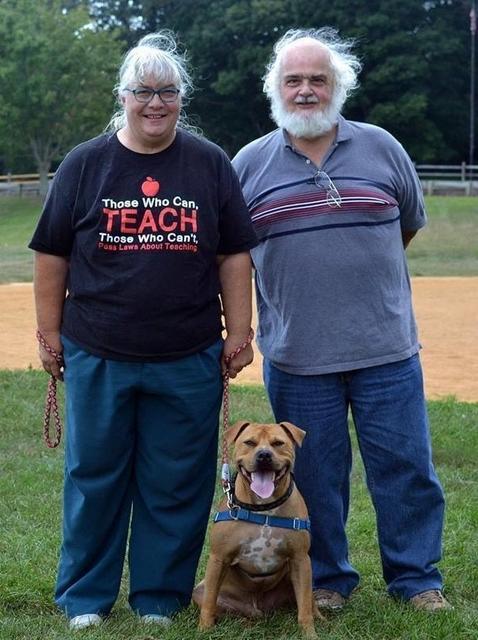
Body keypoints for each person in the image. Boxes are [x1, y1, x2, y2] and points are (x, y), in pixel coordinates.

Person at [29, 31, 257, 630]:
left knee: (177, 479)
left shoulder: (208, 162)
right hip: (99, 349)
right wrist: (48, 335)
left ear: (182, 98)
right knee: (93, 477)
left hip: (187, 353)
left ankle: (159, 598)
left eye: (168, 92)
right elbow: (51, 254)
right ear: (123, 96)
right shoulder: (85, 163)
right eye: (143, 91)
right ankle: (84, 598)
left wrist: (239, 331)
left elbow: (234, 253)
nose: (155, 103)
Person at [232, 28, 450, 613]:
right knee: (316, 479)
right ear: (276, 90)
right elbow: (232, 256)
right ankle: (327, 579)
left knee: (406, 470)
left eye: (317, 79)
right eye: (293, 81)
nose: (306, 90)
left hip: (387, 351)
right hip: (298, 357)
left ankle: (416, 579)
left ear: (338, 86)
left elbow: (404, 226)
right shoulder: (249, 165)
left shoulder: (382, 148)